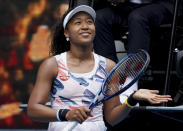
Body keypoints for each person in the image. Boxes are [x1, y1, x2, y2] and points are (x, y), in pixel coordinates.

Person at [27, 5, 172, 131]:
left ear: (94, 30)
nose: (85, 26)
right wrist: (66, 114)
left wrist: (131, 100)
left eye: (90, 22)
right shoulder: (52, 64)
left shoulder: (109, 66)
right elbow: (33, 110)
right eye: (78, 23)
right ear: (66, 32)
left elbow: (111, 118)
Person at [93, 0, 183, 63]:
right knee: (99, 17)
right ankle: (108, 74)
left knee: (137, 17)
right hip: (127, 6)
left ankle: (132, 77)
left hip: (161, 5)